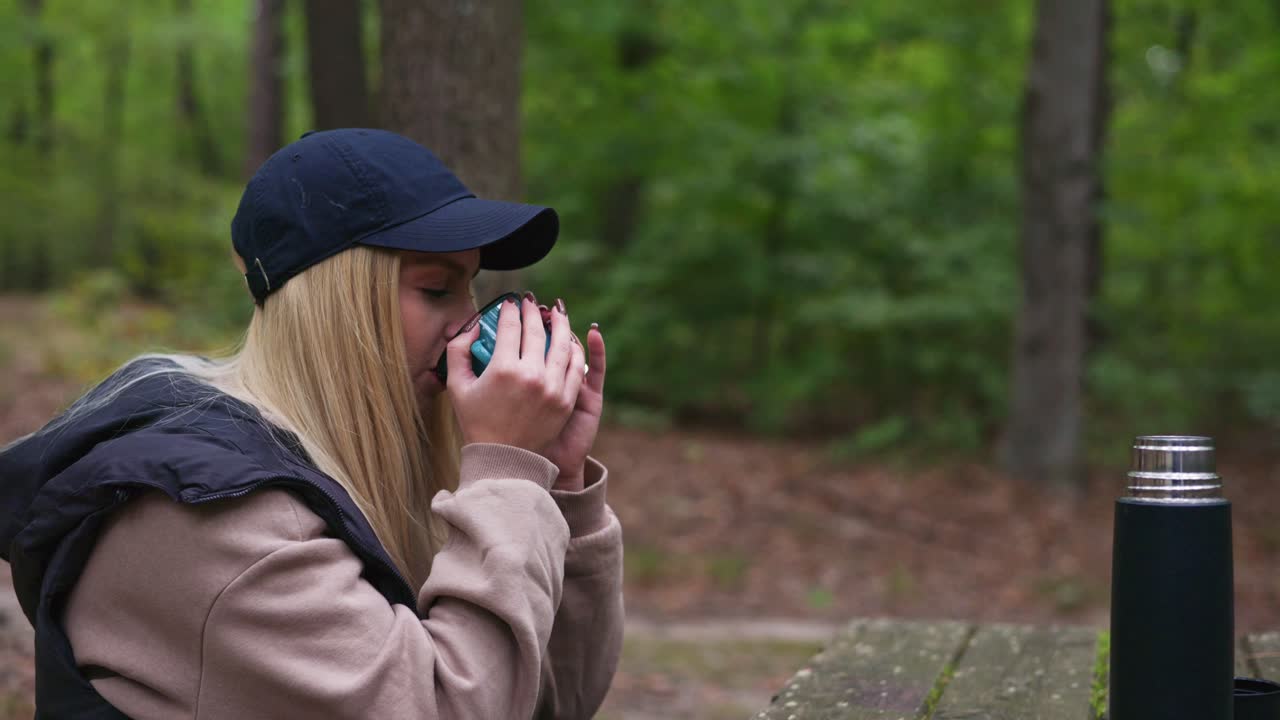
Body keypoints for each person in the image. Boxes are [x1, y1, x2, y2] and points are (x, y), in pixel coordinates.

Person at [0, 129, 623, 719]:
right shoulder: (212, 516)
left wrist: (559, 486)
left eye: (471, 289)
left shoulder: (329, 469)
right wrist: (508, 472)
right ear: (337, 306)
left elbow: (544, 701)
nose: (469, 322)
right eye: (437, 290)